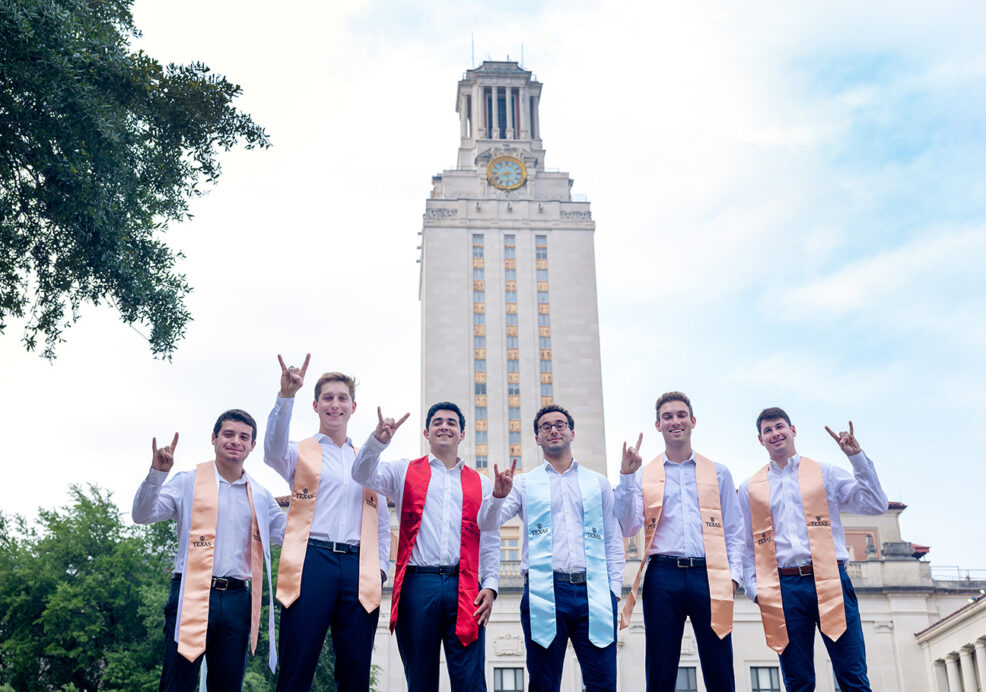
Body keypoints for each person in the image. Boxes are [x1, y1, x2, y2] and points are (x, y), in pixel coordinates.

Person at [132, 409, 285, 692]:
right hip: (191, 591)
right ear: (213, 438)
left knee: (228, 685)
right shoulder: (187, 481)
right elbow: (142, 514)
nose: (235, 441)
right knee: (178, 683)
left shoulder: (261, 495)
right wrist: (157, 475)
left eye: (244, 437)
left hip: (237, 598)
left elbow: (292, 536)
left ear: (252, 446)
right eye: (228, 434)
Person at [351, 402, 500, 692]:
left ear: (462, 434)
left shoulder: (479, 483)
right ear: (426, 432)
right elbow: (362, 475)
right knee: (420, 676)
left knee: (470, 679)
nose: (445, 426)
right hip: (418, 584)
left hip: (466, 585)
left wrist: (491, 584)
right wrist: (378, 442)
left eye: (452, 422)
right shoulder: (403, 471)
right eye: (438, 422)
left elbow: (490, 537)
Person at [738, 408, 888, 692]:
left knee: (852, 674)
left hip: (830, 579)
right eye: (768, 431)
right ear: (760, 440)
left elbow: (876, 504)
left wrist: (856, 458)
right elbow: (746, 546)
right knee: (797, 681)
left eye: (780, 426)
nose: (775, 434)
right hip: (783, 587)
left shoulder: (825, 473)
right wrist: (755, 590)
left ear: (793, 430)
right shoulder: (750, 488)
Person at [263, 355, 390, 692]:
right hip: (312, 561)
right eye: (328, 399)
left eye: (342, 398)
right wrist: (285, 396)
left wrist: (381, 571)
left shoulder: (367, 458)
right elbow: (272, 449)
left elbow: (381, 522)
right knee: (298, 661)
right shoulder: (298, 451)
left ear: (353, 406)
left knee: (355, 666)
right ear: (317, 406)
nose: (336, 404)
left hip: (359, 567)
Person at [614, 391, 745, 692]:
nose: (675, 421)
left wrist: (733, 578)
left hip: (709, 574)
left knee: (720, 666)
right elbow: (628, 524)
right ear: (658, 425)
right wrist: (625, 477)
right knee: (660, 668)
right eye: (668, 417)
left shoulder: (719, 473)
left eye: (681, 415)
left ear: (693, 421)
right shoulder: (644, 474)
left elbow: (735, 530)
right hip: (663, 575)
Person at [489, 404, 624, 692]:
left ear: (572, 433)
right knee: (543, 683)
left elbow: (613, 539)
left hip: (595, 592)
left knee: (603, 683)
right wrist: (497, 497)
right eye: (545, 426)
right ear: (537, 438)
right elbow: (488, 523)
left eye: (560, 424)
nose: (553, 430)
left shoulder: (597, 482)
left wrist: (612, 591)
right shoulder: (524, 483)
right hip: (544, 591)